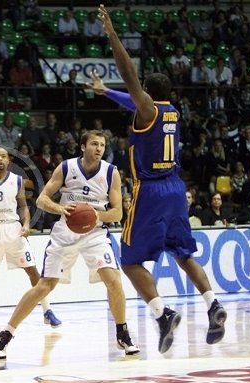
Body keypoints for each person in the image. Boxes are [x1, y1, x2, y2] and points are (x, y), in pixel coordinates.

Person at [97, 5, 227, 354]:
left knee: (129, 261)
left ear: (148, 96)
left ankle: (162, 313)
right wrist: (106, 92)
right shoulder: (172, 111)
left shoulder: (149, 108)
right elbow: (132, 99)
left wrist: (112, 35)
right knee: (185, 254)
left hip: (151, 192)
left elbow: (131, 83)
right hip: (175, 188)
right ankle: (214, 304)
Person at [0, 130, 139, 359]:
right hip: (64, 231)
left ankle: (122, 332)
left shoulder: (112, 173)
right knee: (44, 286)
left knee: (113, 279)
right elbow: (42, 199)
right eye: (94, 144)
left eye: (101, 145)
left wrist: (95, 215)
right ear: (83, 146)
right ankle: (6, 334)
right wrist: (61, 209)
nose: (98, 148)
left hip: (95, 233)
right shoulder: (67, 167)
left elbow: (118, 212)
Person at [0, 146, 61, 332]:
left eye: (3, 156)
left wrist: (26, 225)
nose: (0, 159)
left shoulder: (17, 181)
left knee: (33, 272)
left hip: (13, 229)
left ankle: (47, 311)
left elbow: (23, 207)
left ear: (9, 160)